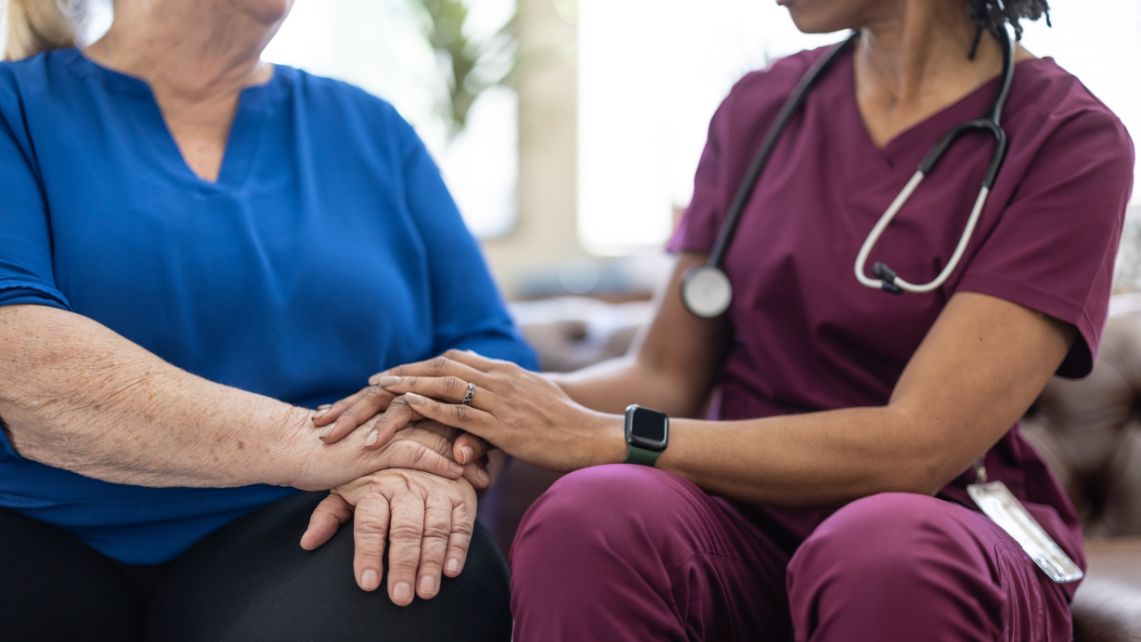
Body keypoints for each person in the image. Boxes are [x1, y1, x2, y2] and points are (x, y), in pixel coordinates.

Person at [317, 0, 1137, 639]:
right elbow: (667, 374)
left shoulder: (1068, 139)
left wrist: (605, 435)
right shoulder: (762, 108)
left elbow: (919, 444)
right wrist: (484, 402)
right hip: (740, 520)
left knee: (881, 548)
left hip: (941, 527)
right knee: (591, 514)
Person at [0, 0, 534, 640]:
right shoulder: (16, 110)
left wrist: (438, 452)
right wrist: (336, 446)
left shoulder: (372, 131)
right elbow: (19, 356)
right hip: (39, 526)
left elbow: (489, 347)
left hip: (310, 525)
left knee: (420, 582)